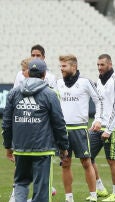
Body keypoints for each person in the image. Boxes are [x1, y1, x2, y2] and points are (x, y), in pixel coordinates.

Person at [2, 58, 69, 202]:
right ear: (44, 74)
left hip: (20, 148)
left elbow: (6, 123)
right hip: (43, 149)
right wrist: (63, 147)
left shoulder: (13, 93)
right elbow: (59, 124)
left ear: (27, 73)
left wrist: (8, 146)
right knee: (42, 190)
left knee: (20, 183)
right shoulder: (50, 94)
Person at [56, 54, 104, 202]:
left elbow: (99, 101)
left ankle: (93, 196)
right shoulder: (57, 83)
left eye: (64, 66)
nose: (61, 69)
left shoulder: (85, 82)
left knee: (86, 162)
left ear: (74, 67)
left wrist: (98, 119)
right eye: (61, 66)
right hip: (62, 130)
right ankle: (69, 198)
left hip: (79, 129)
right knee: (65, 163)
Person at [89, 54, 115, 201]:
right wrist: (96, 120)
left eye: (102, 65)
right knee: (87, 157)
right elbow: (100, 104)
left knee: (112, 161)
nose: (99, 67)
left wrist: (108, 130)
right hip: (99, 126)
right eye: (98, 65)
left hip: (113, 128)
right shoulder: (99, 80)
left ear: (110, 64)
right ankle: (100, 188)